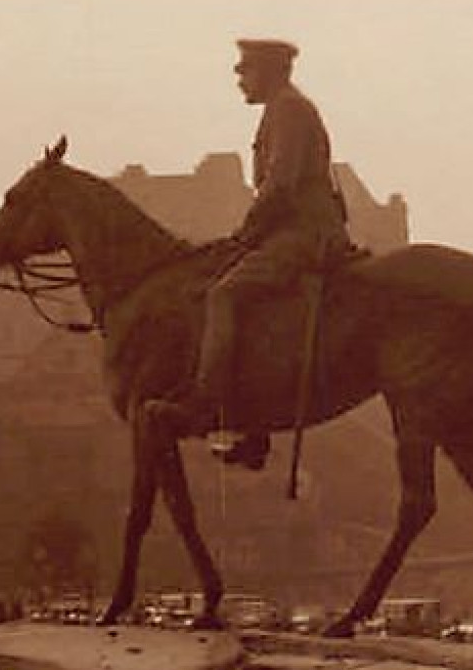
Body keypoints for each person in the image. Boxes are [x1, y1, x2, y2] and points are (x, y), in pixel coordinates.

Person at [151, 39, 352, 471]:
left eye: (246, 70)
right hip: (290, 231)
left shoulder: (289, 110)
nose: (240, 78)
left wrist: (245, 234)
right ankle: (252, 425)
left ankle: (205, 406)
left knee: (223, 296)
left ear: (270, 72)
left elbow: (280, 184)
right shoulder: (281, 109)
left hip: (305, 234)